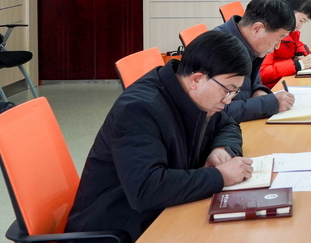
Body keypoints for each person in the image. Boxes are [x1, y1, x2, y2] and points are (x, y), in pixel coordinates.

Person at [66, 31, 255, 242]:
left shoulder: (195, 96)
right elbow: (147, 190)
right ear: (196, 79)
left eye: (235, 93)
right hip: (118, 228)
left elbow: (227, 124)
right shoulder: (138, 109)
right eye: (228, 91)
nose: (229, 100)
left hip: (164, 212)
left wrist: (221, 148)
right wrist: (220, 176)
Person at [214, 0, 297, 122]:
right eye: (279, 38)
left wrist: (259, 92)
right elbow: (216, 112)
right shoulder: (219, 50)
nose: (277, 46)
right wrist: (269, 104)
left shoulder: (249, 44)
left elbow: (254, 83)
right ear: (257, 29)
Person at [260, 0, 311, 89]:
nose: (300, 26)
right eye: (301, 20)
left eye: (304, 22)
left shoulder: (290, 31)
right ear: (289, 10)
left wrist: (299, 55)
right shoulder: (269, 30)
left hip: (283, 80)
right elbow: (263, 73)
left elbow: (297, 44)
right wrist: (297, 65)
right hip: (271, 87)